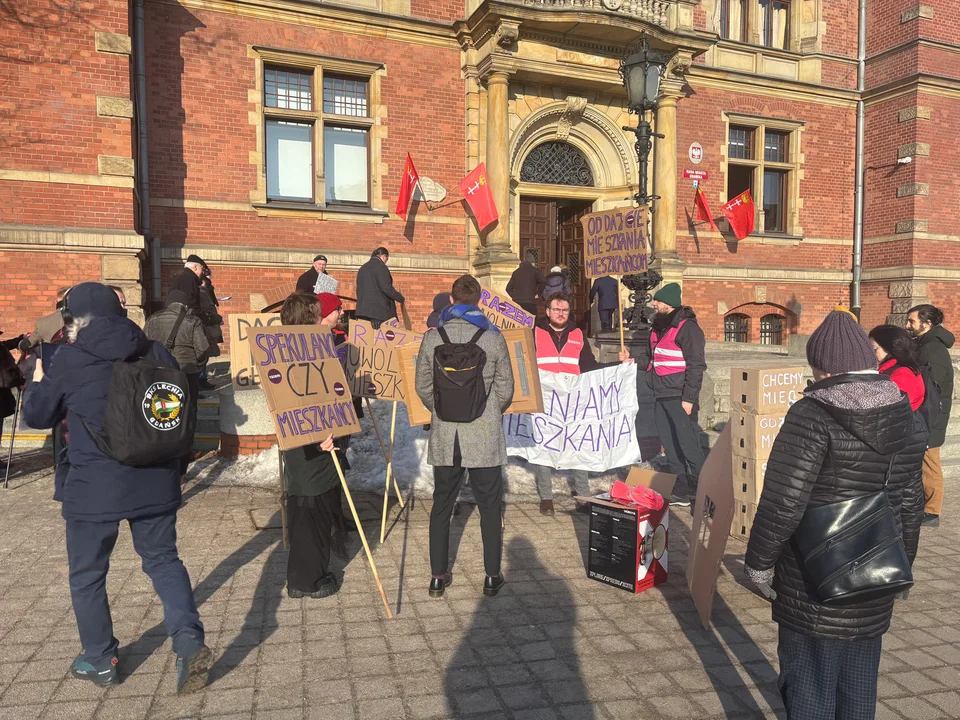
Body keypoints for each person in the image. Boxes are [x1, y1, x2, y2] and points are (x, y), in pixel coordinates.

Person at [22, 282, 211, 692]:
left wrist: (37, 380)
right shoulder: (156, 351)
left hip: (94, 488)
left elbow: (36, 416)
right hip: (155, 477)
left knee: (88, 574)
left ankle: (100, 658)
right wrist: (178, 468)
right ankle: (188, 640)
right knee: (164, 561)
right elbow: (181, 412)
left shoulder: (70, 358)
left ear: (75, 318)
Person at [744, 310, 926, 719]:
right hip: (880, 569)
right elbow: (911, 501)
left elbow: (783, 500)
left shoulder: (812, 413)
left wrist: (758, 565)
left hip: (814, 578)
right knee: (859, 683)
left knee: (809, 684)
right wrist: (903, 564)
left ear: (823, 367)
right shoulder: (906, 412)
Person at [415, 275, 513, 598]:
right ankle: (491, 576)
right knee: (490, 506)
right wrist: (488, 411)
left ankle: (437, 577)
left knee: (442, 504)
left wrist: (441, 408)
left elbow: (422, 386)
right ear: (479, 301)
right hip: (483, 434)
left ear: (451, 300)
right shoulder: (493, 338)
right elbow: (506, 388)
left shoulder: (432, 337)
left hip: (447, 435)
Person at [532, 292, 632, 516]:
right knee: (544, 447)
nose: (561, 313)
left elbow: (590, 367)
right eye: (556, 309)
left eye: (565, 310)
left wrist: (619, 365)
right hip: (545, 400)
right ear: (547, 311)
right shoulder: (535, 333)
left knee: (578, 446)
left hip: (573, 401)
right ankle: (546, 497)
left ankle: (583, 494)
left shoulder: (577, 335)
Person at [279, 291, 349, 599]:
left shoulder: (309, 348)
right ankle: (305, 580)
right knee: (309, 508)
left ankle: (311, 572)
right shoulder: (296, 353)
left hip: (315, 442)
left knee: (314, 507)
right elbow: (296, 401)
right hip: (310, 445)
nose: (325, 319)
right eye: (320, 314)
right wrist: (317, 437)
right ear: (308, 320)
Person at [647, 282, 706, 507]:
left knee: (688, 445)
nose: (654, 303)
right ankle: (681, 489)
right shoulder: (658, 327)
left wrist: (689, 399)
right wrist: (631, 360)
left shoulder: (688, 328)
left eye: (658, 300)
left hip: (679, 396)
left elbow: (696, 365)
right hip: (660, 393)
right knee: (669, 445)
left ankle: (703, 492)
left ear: (669, 304)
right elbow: (652, 357)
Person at [144, 290, 210, 477]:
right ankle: (182, 466)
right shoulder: (192, 321)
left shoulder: (153, 319)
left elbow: (145, 344)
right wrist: (197, 365)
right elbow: (202, 348)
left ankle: (160, 460)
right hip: (186, 373)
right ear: (185, 305)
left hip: (160, 373)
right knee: (188, 414)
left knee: (160, 416)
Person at [906, 304, 955, 527]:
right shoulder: (924, 344)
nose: (907, 325)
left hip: (930, 415)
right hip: (926, 414)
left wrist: (923, 417)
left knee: (930, 463)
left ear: (927, 323)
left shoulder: (932, 349)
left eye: (912, 321)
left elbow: (930, 388)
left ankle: (932, 511)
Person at [869, 325, 925, 411]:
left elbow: (888, 408)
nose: (870, 354)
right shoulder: (887, 369)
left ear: (889, 348)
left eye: (874, 349)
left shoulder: (903, 374)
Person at [355, 247, 405, 329]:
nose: (386, 262)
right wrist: (400, 298)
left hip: (362, 312)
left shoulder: (362, 268)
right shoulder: (381, 267)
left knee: (365, 336)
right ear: (384, 256)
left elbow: (359, 290)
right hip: (379, 313)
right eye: (387, 259)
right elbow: (387, 288)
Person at [22, 287, 70, 351]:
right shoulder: (82, 321)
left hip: (53, 356)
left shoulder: (42, 323)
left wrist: (20, 342)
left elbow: (29, 344)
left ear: (56, 302)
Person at [506, 250, 544, 316]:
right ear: (532, 263)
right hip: (530, 301)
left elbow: (508, 288)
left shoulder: (516, 272)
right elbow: (543, 281)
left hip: (517, 302)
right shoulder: (534, 271)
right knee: (532, 320)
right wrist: (538, 293)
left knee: (518, 321)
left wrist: (515, 296)